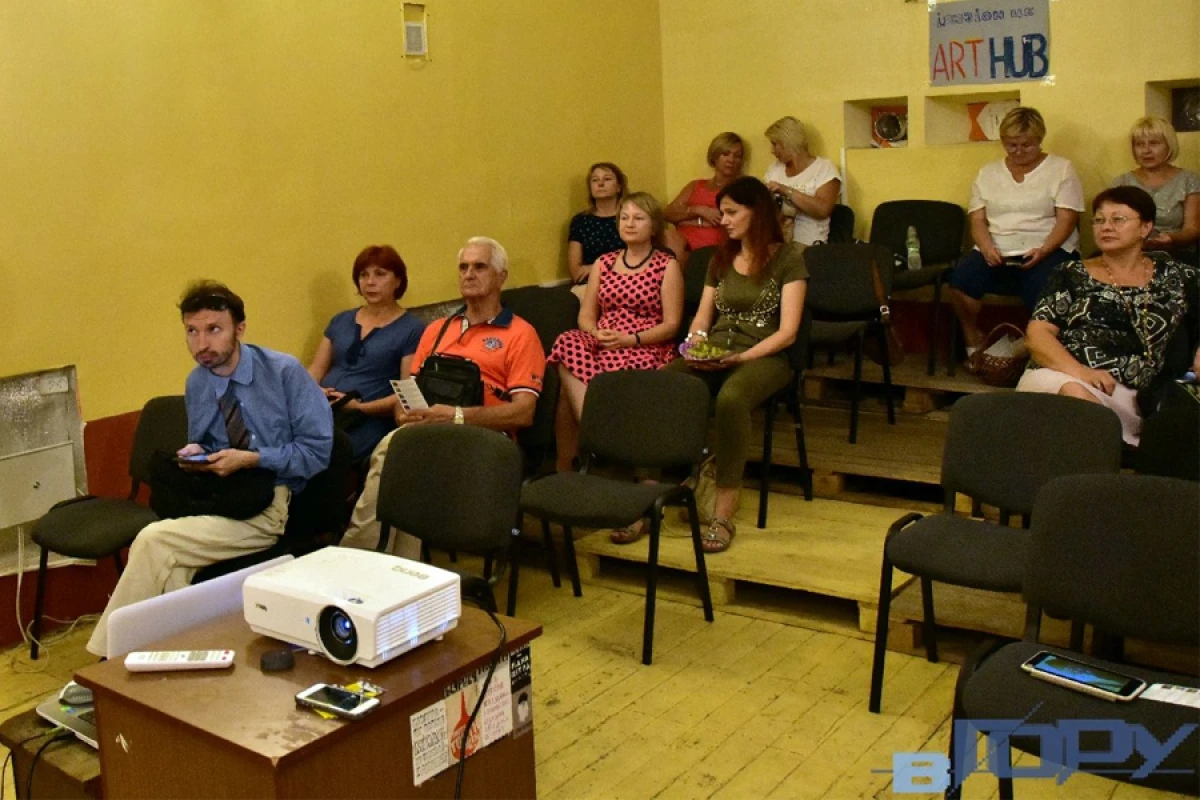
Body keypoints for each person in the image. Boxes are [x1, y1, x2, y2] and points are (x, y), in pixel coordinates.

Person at [86, 282, 333, 656]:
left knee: (154, 540)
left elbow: (317, 452)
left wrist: (253, 458)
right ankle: (176, 661)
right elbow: (206, 442)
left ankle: (105, 661)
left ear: (239, 328)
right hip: (221, 497)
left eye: (214, 329)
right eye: (192, 331)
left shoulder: (283, 372)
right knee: (173, 572)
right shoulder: (198, 382)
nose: (202, 343)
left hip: (268, 505)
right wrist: (197, 452)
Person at [340, 237, 546, 557]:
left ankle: (356, 555)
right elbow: (408, 395)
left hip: (486, 441)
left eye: (480, 267)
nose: (469, 274)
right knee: (401, 453)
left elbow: (523, 412)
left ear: (501, 277)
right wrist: (405, 414)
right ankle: (400, 569)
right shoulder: (436, 329)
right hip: (432, 429)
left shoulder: (521, 334)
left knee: (393, 452)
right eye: (463, 267)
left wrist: (456, 416)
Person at [668, 177, 808, 553]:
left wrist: (741, 357)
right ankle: (651, 493)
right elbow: (702, 317)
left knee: (732, 399)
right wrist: (695, 346)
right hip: (717, 350)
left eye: (732, 212)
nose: (723, 220)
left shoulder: (788, 259)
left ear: (756, 212)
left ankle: (723, 513)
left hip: (765, 355)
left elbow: (789, 332)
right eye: (723, 212)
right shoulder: (720, 258)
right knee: (665, 384)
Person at [1018, 186, 1199, 445]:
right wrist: (1080, 371)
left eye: (1118, 219)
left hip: (1132, 391)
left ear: (1145, 228)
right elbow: (1037, 335)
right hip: (1061, 374)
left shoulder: (1174, 274)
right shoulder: (1070, 273)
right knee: (1075, 395)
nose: (1106, 227)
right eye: (1099, 220)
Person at [548, 192, 684, 486]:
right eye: (624, 218)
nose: (629, 224)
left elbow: (672, 324)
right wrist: (596, 333)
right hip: (604, 338)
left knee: (570, 391)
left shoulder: (666, 264)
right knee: (567, 342)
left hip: (644, 343)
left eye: (638, 218)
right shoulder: (604, 262)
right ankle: (598, 430)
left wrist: (630, 339)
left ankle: (602, 447)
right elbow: (586, 316)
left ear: (653, 225)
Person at [948, 107, 1084, 365]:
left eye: (1027, 145)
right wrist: (986, 247)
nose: (1019, 151)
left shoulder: (1061, 169)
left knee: (1043, 287)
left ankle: (1039, 351)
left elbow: (1067, 220)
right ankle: (973, 339)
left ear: (1040, 140)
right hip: (998, 247)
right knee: (961, 280)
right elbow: (977, 219)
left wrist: (1043, 250)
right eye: (1012, 145)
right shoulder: (988, 173)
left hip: (1048, 247)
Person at [307, 245, 426, 461]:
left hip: (370, 417)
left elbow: (406, 392)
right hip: (325, 408)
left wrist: (360, 407)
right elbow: (316, 369)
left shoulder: (412, 329)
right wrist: (314, 391)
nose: (370, 282)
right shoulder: (340, 320)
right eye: (364, 275)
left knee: (333, 454)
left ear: (398, 281)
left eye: (380, 274)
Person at [1113, 116, 1200, 263]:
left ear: (1169, 145)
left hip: (1177, 257)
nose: (1146, 151)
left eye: (1154, 143)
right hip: (1131, 255)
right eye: (1140, 144)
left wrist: (1170, 238)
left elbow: (1192, 230)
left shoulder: (1189, 180)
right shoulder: (1121, 183)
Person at [663, 132, 745, 261]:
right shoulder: (696, 185)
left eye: (737, 156)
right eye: (725, 154)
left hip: (713, 246)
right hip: (683, 242)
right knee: (668, 237)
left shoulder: (740, 188)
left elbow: (727, 221)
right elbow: (668, 214)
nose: (731, 160)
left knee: (683, 258)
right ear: (715, 156)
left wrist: (686, 220)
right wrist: (699, 210)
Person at [762, 116, 842, 245]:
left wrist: (786, 190)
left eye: (775, 144)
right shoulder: (774, 169)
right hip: (777, 243)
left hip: (810, 245)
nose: (772, 150)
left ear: (788, 142)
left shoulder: (824, 169)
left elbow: (822, 210)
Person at [567, 163, 628, 293]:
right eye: (595, 180)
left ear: (619, 187)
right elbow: (576, 272)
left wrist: (598, 266)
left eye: (607, 179)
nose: (600, 184)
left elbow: (640, 258)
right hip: (591, 285)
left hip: (628, 281)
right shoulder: (581, 221)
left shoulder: (630, 217)